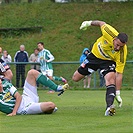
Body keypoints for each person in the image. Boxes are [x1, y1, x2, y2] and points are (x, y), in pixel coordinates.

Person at [72, 20, 128, 116]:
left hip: (107, 62)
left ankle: (109, 107)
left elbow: (119, 74)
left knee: (110, 79)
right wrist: (88, 23)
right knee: (75, 78)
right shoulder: (109, 31)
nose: (118, 48)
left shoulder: (122, 53)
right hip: (94, 56)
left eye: (121, 46)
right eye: (117, 45)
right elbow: (101, 23)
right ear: (114, 39)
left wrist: (118, 92)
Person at [0, 69, 69, 116]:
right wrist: (16, 112)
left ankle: (56, 88)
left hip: (26, 97)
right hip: (24, 108)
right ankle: (40, 108)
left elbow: (18, 97)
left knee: (32, 72)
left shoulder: (5, 83)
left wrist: (14, 112)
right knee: (51, 105)